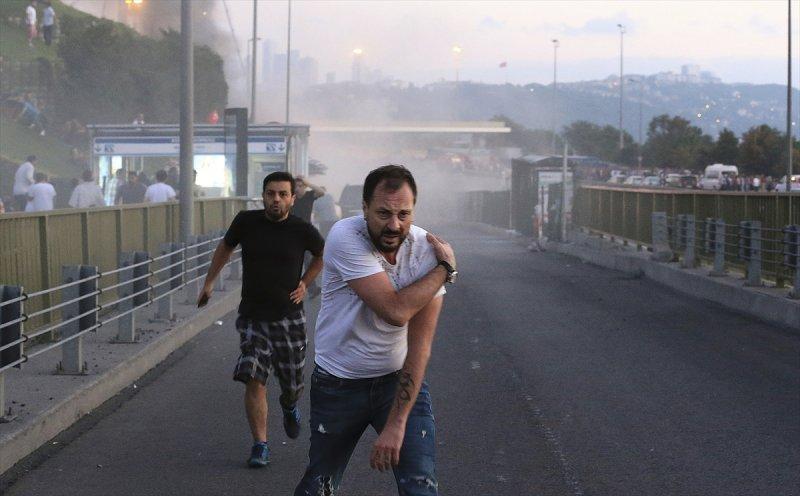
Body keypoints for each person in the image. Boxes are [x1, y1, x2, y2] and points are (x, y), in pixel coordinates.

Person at [294, 165, 457, 496]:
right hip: (338, 384)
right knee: (319, 486)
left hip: (396, 382)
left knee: (421, 487)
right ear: (364, 208)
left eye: (403, 213)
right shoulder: (345, 236)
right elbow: (395, 312)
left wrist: (397, 424)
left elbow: (420, 346)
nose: (394, 225)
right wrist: (446, 270)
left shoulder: (426, 251)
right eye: (383, 213)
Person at [197, 171, 324, 468]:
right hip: (253, 317)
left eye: (282, 194)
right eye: (271, 194)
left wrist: (305, 283)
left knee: (292, 382)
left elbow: (321, 255)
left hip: (289, 318)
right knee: (253, 377)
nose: (276, 199)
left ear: (293, 198)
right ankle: (260, 444)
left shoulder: (302, 229)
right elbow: (225, 248)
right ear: (263, 196)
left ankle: (290, 404)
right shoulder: (246, 221)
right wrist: (209, 283)